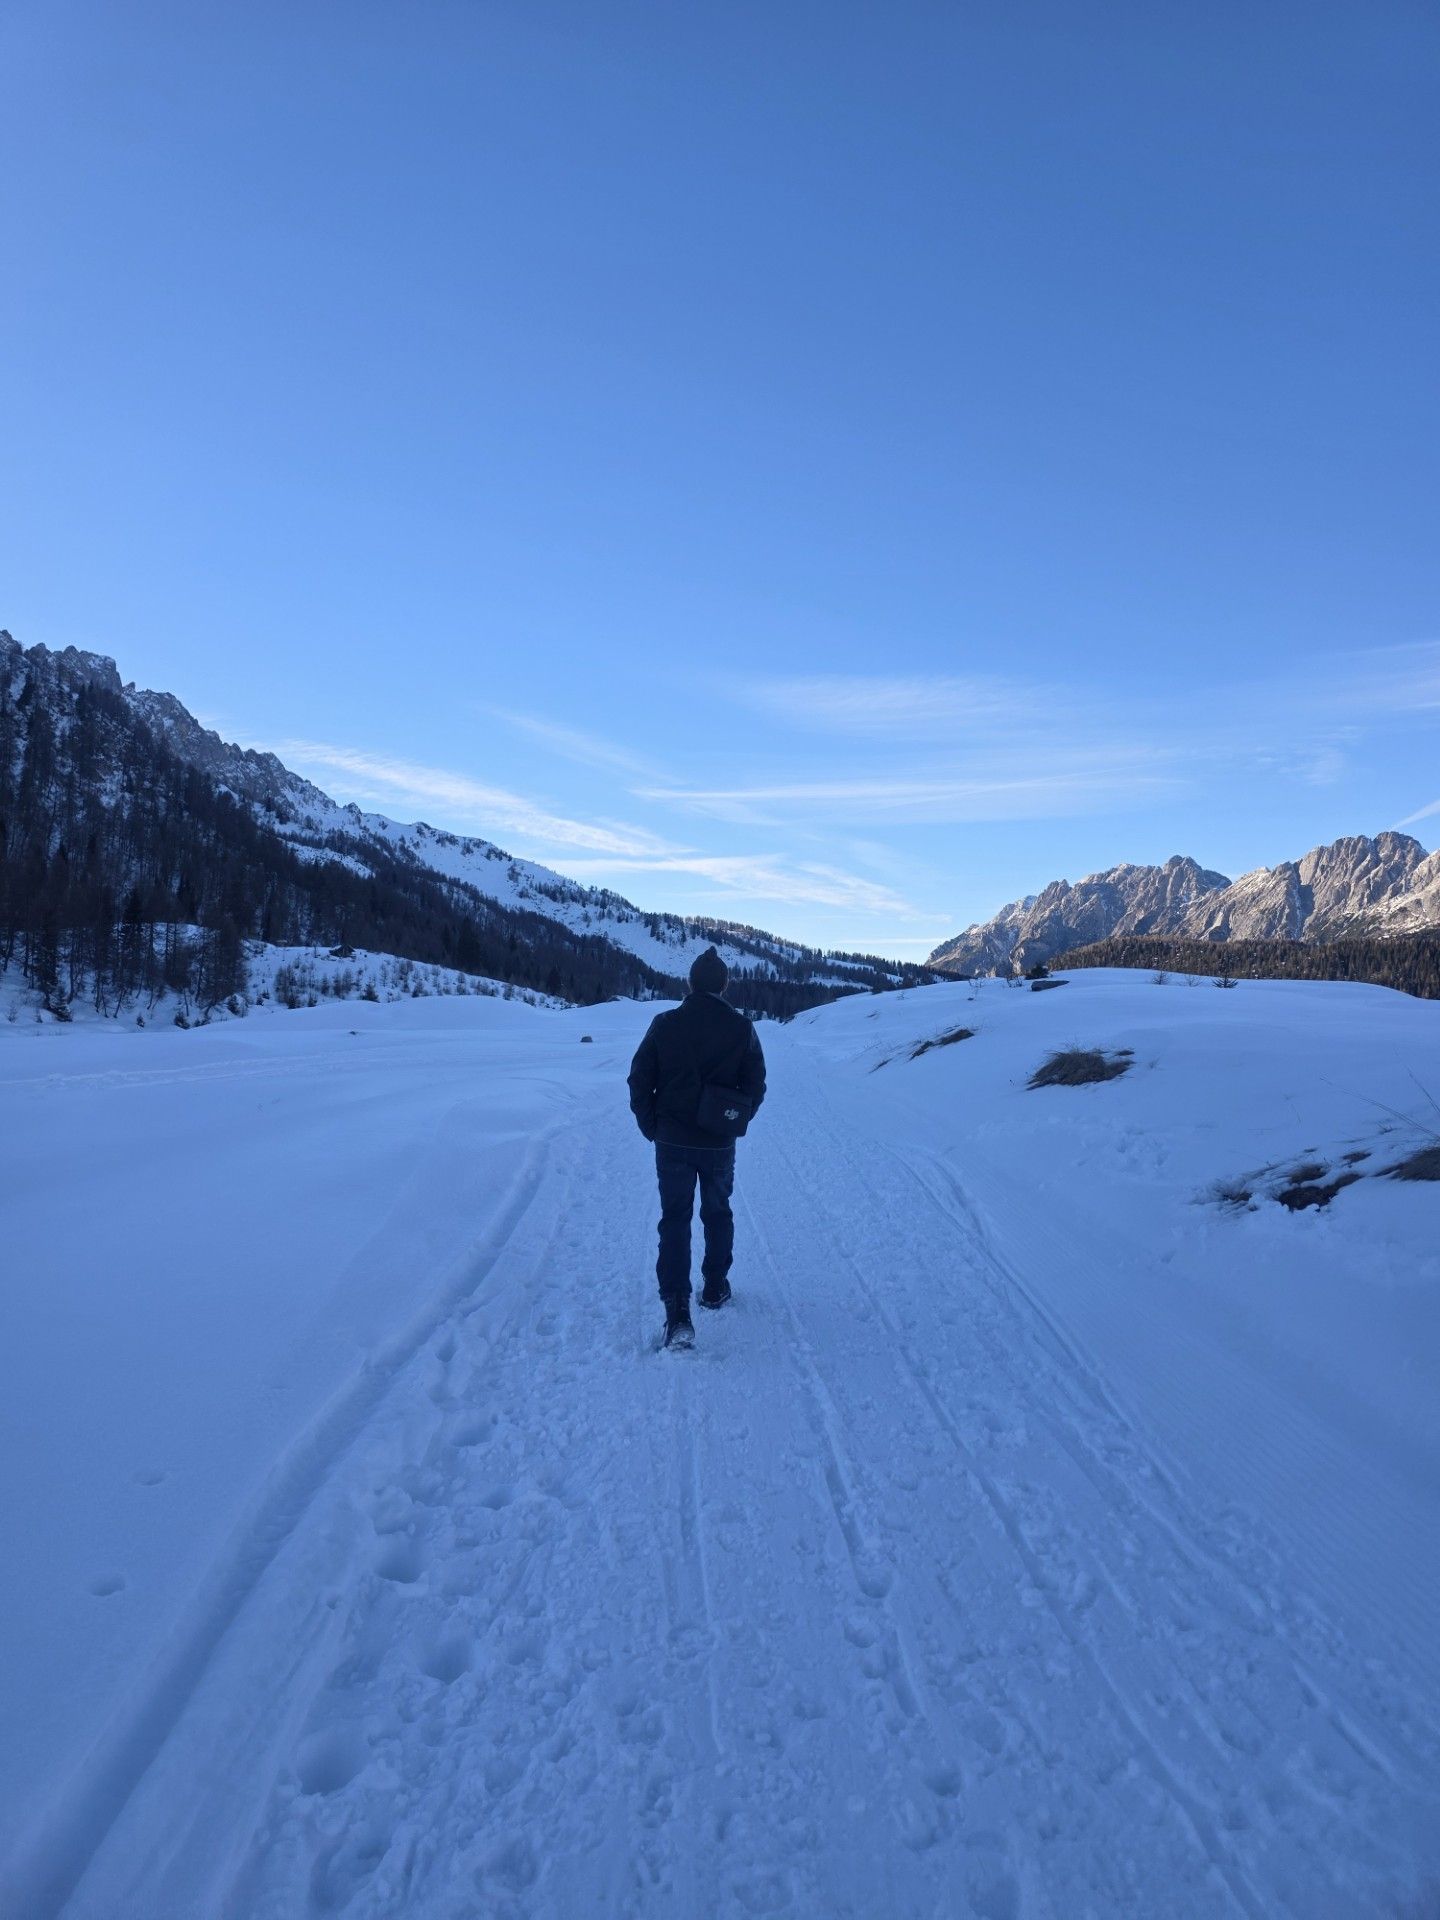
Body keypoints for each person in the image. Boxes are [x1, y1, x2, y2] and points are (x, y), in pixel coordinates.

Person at [627, 946, 767, 1349]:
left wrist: (652, 1127)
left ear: (690, 983)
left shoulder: (665, 1023)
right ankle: (715, 1286)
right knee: (717, 1212)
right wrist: (734, 1121)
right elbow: (755, 1086)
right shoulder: (741, 1028)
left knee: (675, 1219)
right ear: (724, 985)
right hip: (718, 1142)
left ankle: (677, 1316)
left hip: (671, 1139)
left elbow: (639, 1080)